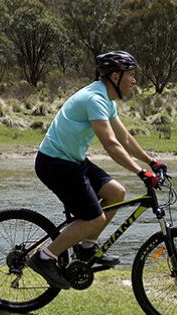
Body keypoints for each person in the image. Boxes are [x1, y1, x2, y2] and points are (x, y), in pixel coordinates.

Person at [28, 50, 164, 289]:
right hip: (55, 163)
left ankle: (86, 247)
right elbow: (110, 144)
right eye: (130, 74)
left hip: (73, 160)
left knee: (116, 193)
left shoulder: (106, 99)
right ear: (114, 76)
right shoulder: (95, 100)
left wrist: (151, 162)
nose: (134, 80)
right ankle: (44, 258)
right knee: (93, 218)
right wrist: (140, 173)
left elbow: (124, 138)